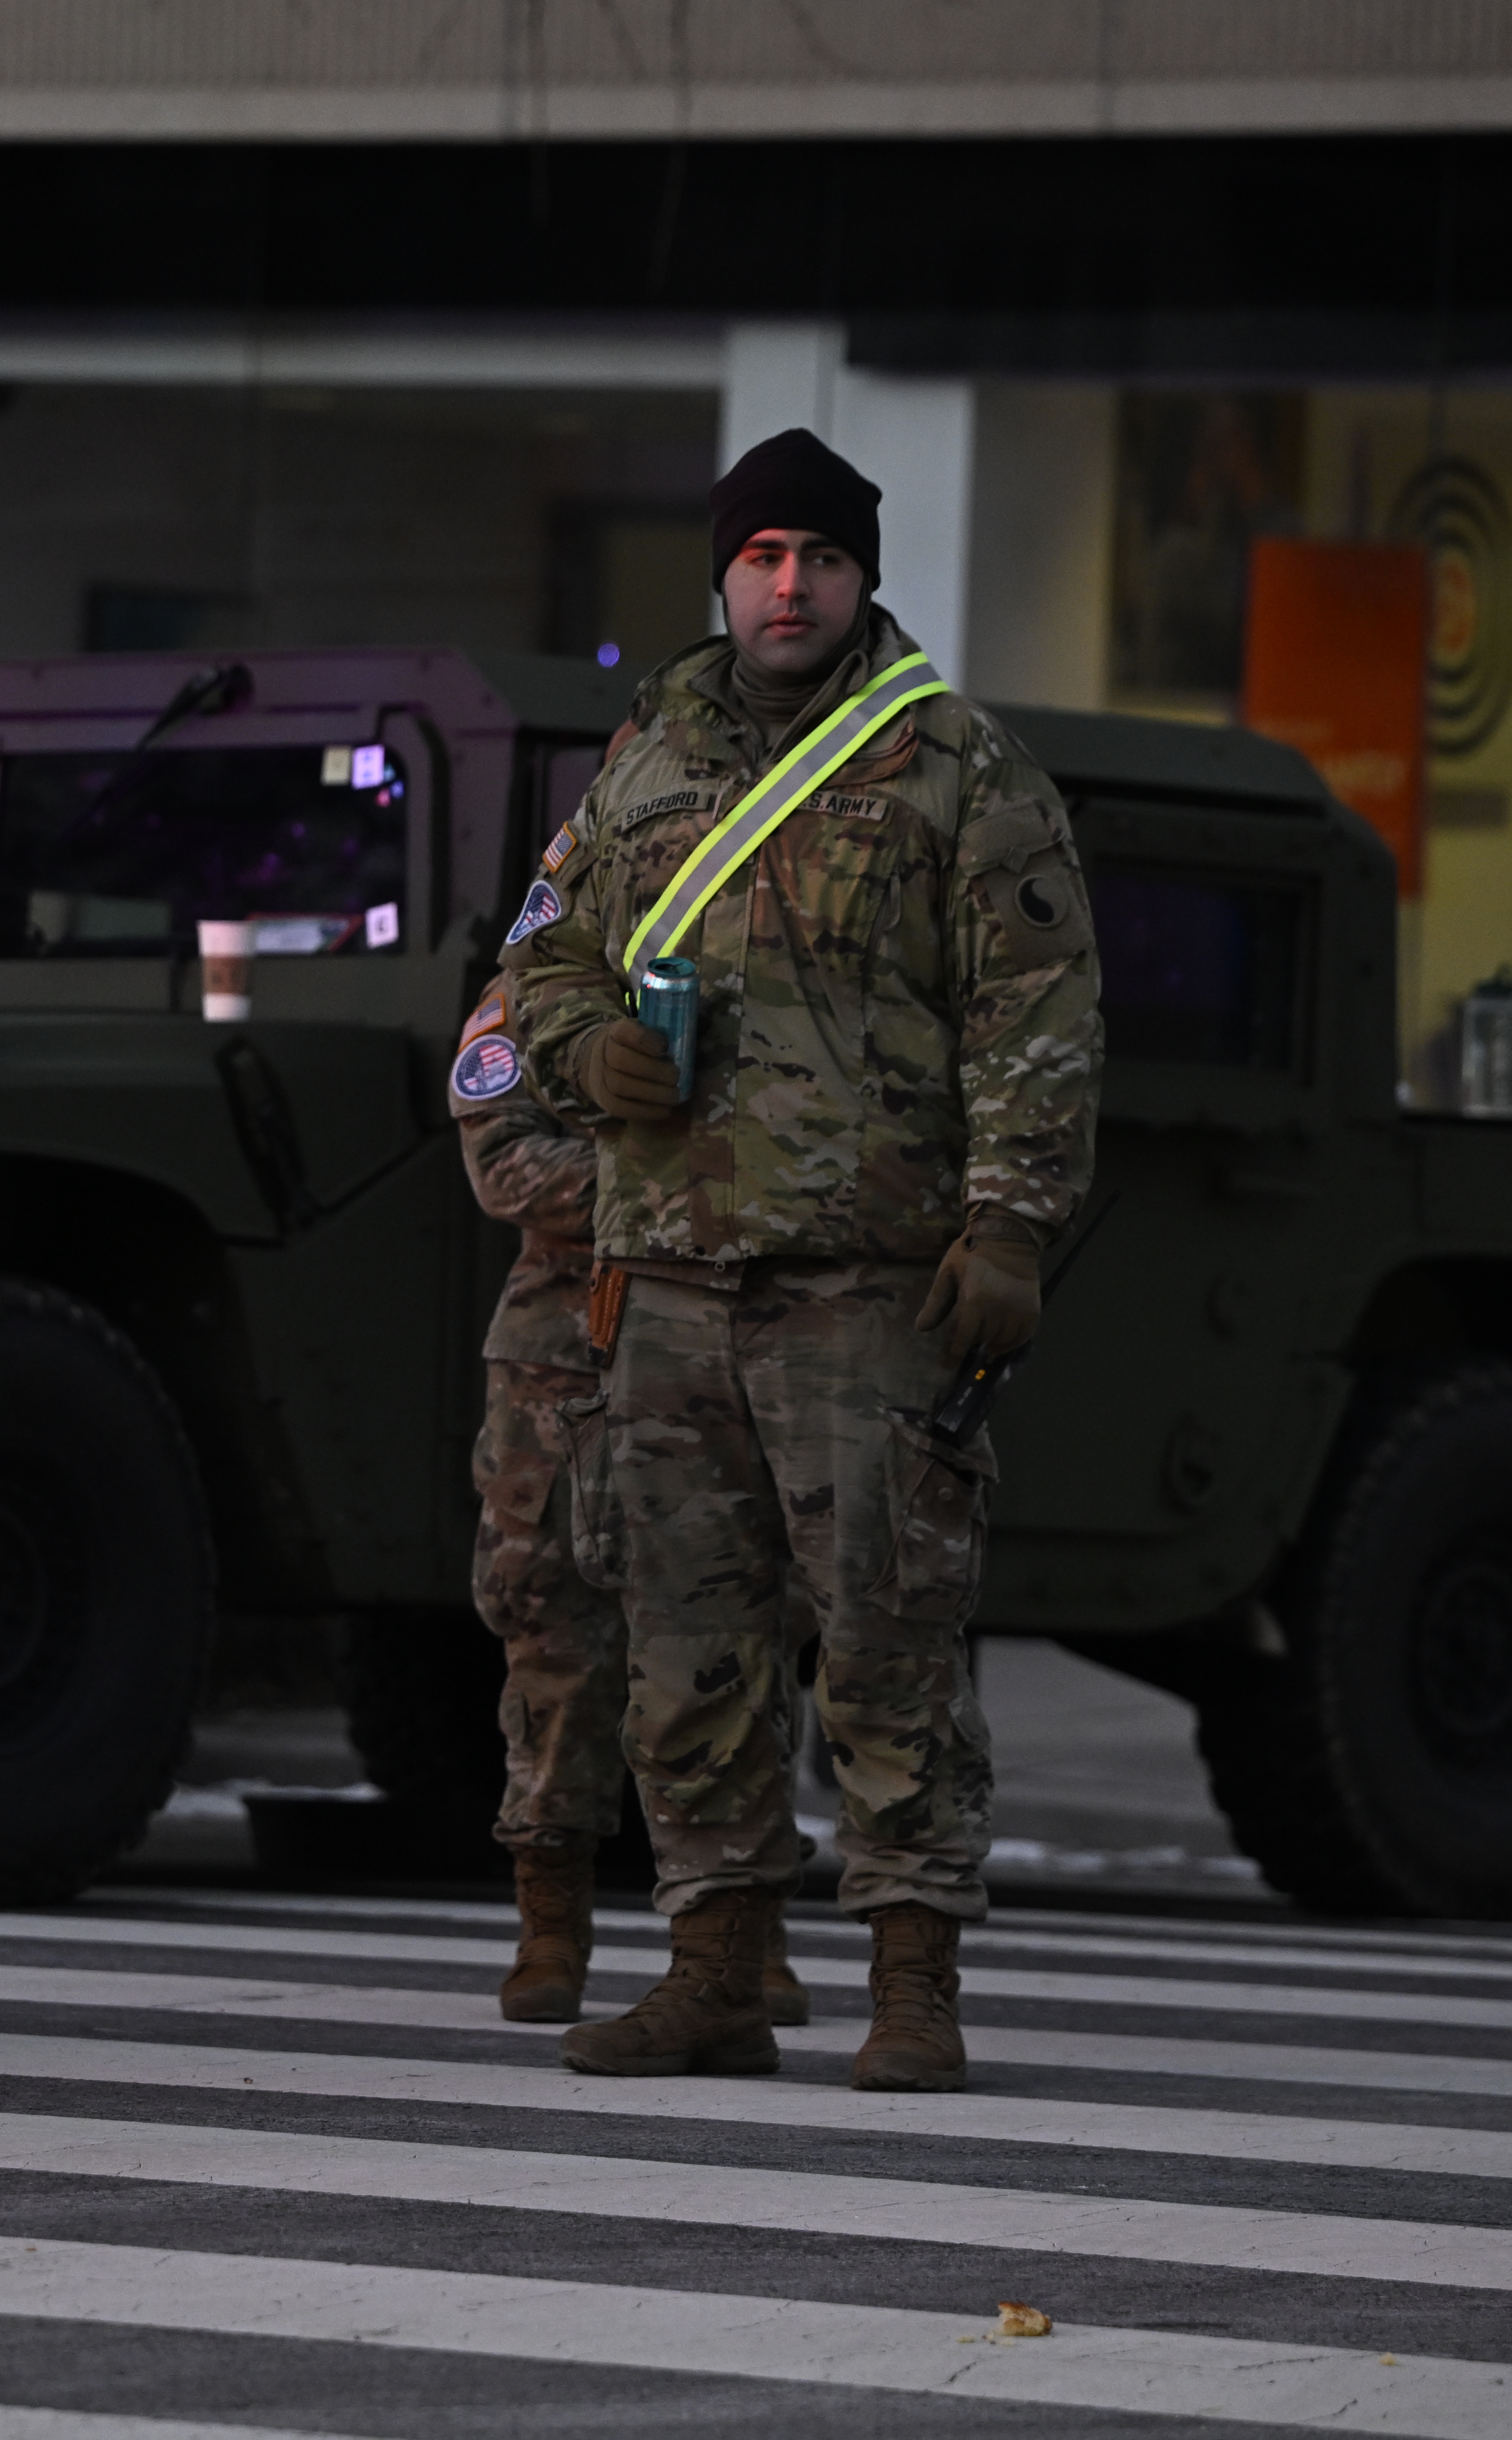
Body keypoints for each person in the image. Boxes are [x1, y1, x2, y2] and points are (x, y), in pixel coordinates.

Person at [497, 427, 1103, 2091]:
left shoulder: (951, 768)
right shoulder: (644, 759)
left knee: (885, 1630)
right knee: (684, 1635)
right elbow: (541, 961)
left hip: (863, 1281)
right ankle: (714, 1965)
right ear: (721, 569)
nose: (790, 585)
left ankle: (911, 1975)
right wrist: (583, 1051)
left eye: (820, 559)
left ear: (863, 577)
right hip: (670, 1270)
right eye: (763, 555)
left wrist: (1009, 1224)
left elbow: (1036, 1016)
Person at [450, 966, 807, 2031]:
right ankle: (550, 1921)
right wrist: (684, 1181)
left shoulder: (760, 967)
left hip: (722, 1335)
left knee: (733, 1631)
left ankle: (747, 1927)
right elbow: (507, 1164)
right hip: (566, 1350)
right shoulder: (538, 985)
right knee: (551, 1624)